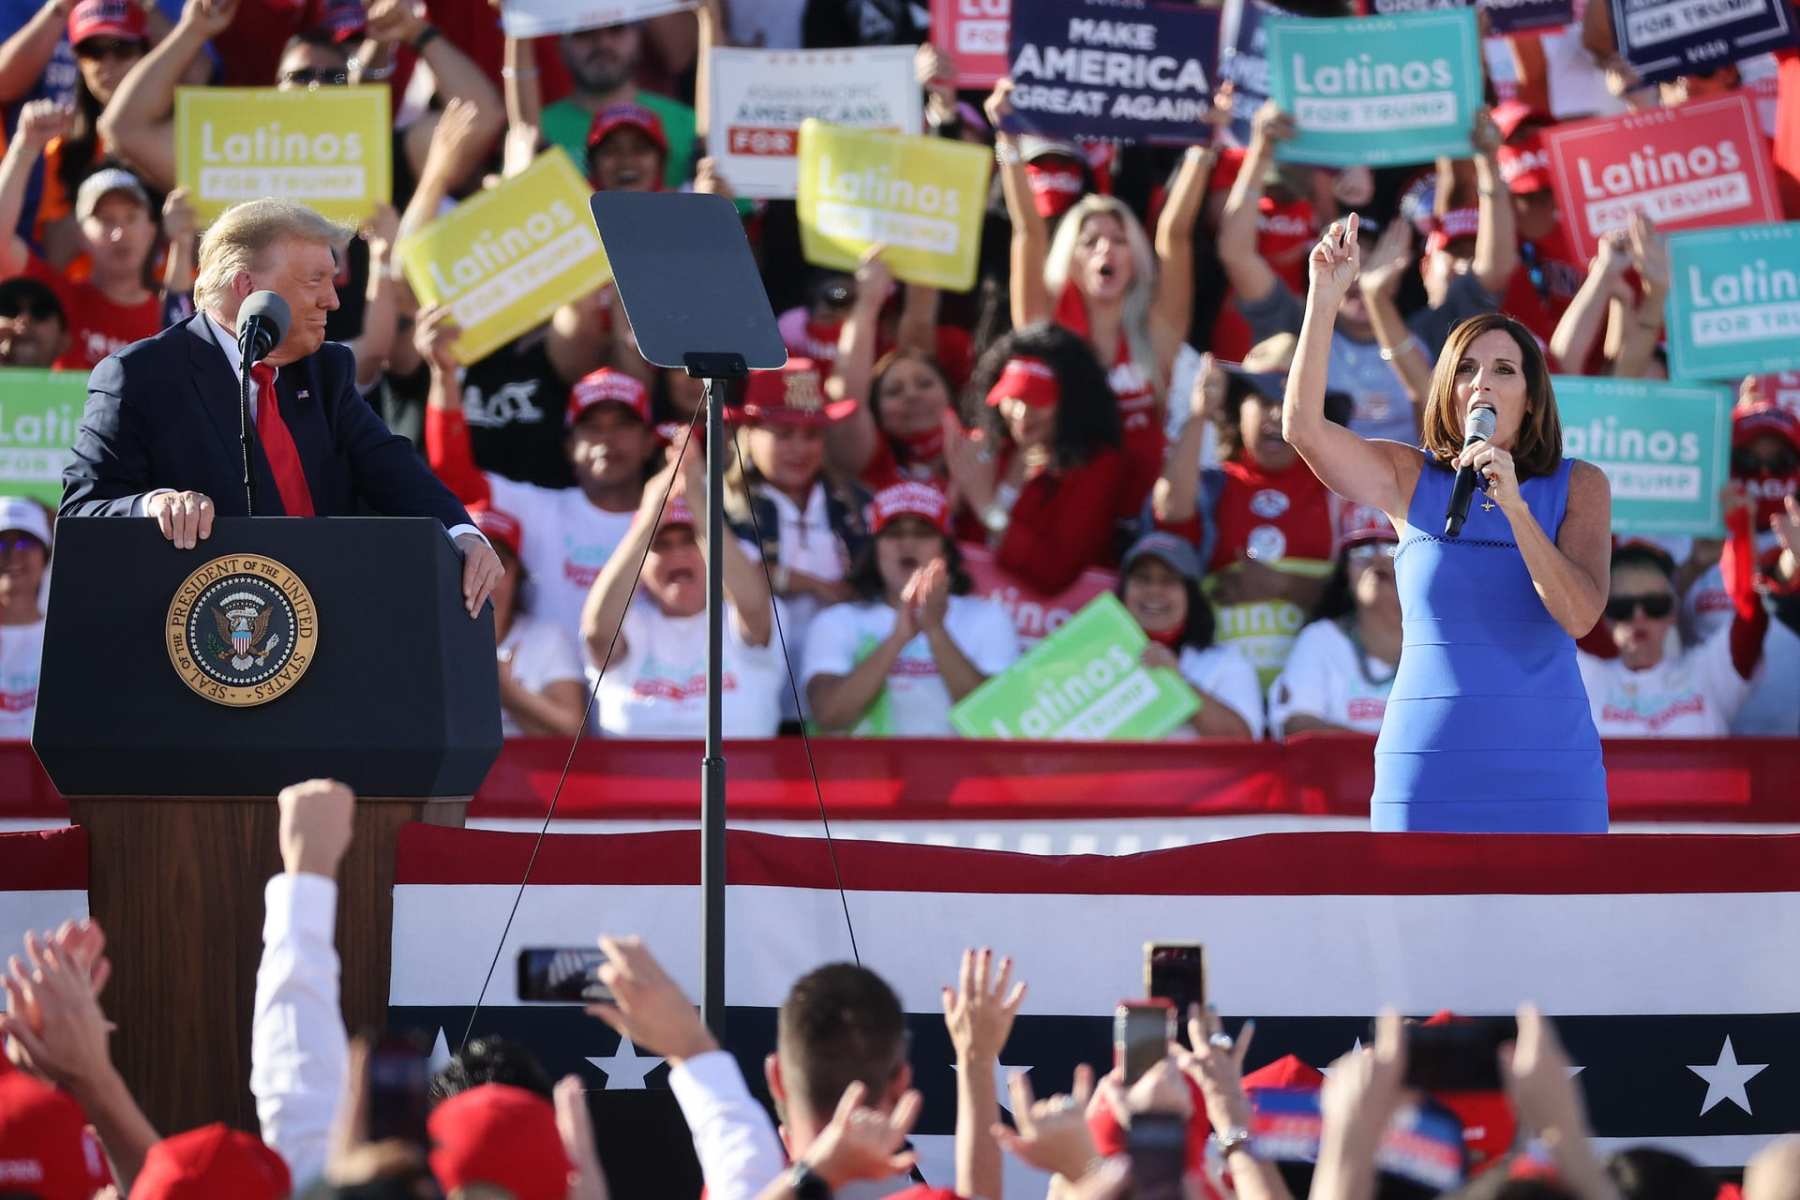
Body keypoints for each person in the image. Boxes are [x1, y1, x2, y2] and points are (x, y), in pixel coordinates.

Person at [1286, 214, 1611, 833]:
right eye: (1466, 368)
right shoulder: (1410, 478)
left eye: (1504, 370)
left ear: (1532, 396)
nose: (1482, 381)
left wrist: (1515, 506)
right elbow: (1303, 430)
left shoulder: (1581, 485)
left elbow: (1578, 614)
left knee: (1558, 933)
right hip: (1430, 767)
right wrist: (1323, 301)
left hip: (1549, 771)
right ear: (1446, 389)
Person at [58, 198, 503, 618]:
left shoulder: (326, 369)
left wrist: (462, 533)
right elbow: (82, 509)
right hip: (207, 638)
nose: (333, 300)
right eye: (315, 280)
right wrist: (154, 506)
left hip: (326, 621)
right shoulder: (139, 376)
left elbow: (391, 465)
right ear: (247, 286)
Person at [989, 77, 1216, 513]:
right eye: (1090, 241)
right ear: (1069, 257)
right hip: (1065, 514)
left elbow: (1175, 234)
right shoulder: (1045, 328)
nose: (1106, 250)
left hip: (1144, 519)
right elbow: (1028, 232)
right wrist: (1007, 136)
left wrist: (1202, 146)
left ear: (1135, 258)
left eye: (1119, 239)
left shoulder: (1157, 329)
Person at [420, 306, 656, 643]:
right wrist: (443, 375)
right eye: (592, 428)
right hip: (546, 688)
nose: (607, 440)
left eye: (623, 425)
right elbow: (454, 477)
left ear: (649, 441)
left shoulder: (674, 517)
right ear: (569, 445)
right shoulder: (541, 511)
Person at [1157, 355, 1341, 689]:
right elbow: (1169, 513)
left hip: (1317, 692)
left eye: (1290, 402)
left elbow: (1371, 598)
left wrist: (1283, 586)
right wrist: (1200, 417)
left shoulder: (1340, 491)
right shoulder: (1215, 487)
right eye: (1265, 399)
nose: (1276, 413)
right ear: (1238, 409)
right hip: (1221, 687)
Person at [581, 437, 781, 738]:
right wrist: (650, 515)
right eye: (660, 544)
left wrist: (698, 501)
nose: (677, 555)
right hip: (638, 784)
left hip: (741, 783)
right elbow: (596, 632)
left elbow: (755, 605)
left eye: (690, 540)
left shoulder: (737, 618)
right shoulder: (631, 624)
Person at [802, 482, 1019, 736]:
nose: (907, 544)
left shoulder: (989, 618)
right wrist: (898, 638)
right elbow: (829, 715)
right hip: (870, 774)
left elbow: (995, 717)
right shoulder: (836, 621)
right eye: (893, 533)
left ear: (946, 549)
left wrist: (936, 631)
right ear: (874, 549)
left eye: (923, 533)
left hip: (963, 774)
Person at [724, 357, 870, 702]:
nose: (799, 449)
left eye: (811, 434)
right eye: (784, 434)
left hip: (841, 693)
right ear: (749, 434)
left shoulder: (854, 503)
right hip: (751, 693)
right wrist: (813, 585)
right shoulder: (722, 504)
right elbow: (731, 578)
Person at [944, 323, 1128, 596]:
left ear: (1071, 404)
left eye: (1037, 400)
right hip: (973, 617)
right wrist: (951, 500)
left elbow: (1055, 569)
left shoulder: (1097, 466)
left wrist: (986, 509)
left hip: (1051, 629)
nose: (1021, 414)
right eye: (1012, 398)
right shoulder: (985, 446)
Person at [1579, 509, 1767, 737]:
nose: (1639, 617)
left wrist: (1740, 527)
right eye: (1623, 608)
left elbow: (1751, 613)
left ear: (1673, 611)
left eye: (1654, 605)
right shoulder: (1584, 679)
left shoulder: (1706, 674)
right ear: (1604, 617)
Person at [1270, 504, 1402, 738]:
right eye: (1361, 552)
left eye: (1392, 549)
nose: (1376, 562)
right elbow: (1299, 728)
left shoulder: (1443, 644)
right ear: (1344, 572)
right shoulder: (1320, 639)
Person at [1116, 530, 1263, 739]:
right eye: (1142, 579)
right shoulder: (1094, 658)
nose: (1154, 590)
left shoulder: (1226, 662)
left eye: (1168, 580)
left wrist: (1177, 682)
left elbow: (1243, 742)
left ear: (1191, 595)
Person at [472, 507, 586, 739]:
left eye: (498, 562)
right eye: (470, 561)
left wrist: (508, 692)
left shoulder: (547, 639)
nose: (486, 576)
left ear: (517, 574)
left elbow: (574, 732)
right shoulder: (432, 643)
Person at [544, 19, 696, 191]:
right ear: (560, 46)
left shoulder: (691, 125)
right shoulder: (536, 131)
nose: (602, 44)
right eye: (583, 33)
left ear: (639, 38)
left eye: (616, 29)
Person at [0, 496, 47, 739]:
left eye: (25, 543)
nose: (12, 555)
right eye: (1, 544)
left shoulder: (65, 640)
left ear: (46, 557)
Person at [0, 274, 66, 364]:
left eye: (40, 310)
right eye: (9, 310)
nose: (24, 320)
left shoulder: (86, 377)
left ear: (65, 340)